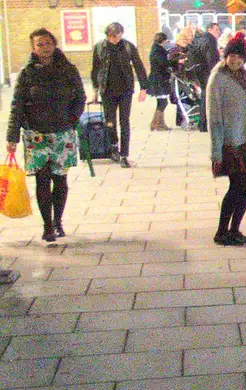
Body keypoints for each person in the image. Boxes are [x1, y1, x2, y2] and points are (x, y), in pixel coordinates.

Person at [6, 29, 85, 243]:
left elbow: (80, 96)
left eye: (48, 43)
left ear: (54, 44)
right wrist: (11, 136)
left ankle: (58, 221)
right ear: (33, 48)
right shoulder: (26, 73)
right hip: (36, 136)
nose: (44, 47)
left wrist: (71, 119)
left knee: (60, 180)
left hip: (62, 133)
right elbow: (17, 105)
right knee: (41, 180)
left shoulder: (68, 69)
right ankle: (47, 226)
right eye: (40, 44)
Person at [207, 35, 246, 246]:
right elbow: (214, 118)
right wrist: (216, 152)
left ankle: (235, 230)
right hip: (230, 143)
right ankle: (221, 232)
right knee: (235, 188)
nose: (236, 61)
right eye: (233, 56)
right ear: (226, 55)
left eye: (240, 57)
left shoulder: (243, 75)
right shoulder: (217, 79)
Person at [89, 21, 149, 167]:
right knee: (110, 123)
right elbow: (95, 69)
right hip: (107, 90)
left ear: (121, 34)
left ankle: (124, 155)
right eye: (111, 36)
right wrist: (95, 90)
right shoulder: (100, 47)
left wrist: (144, 88)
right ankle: (114, 145)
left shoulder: (128, 47)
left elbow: (138, 66)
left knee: (124, 122)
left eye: (116, 36)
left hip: (125, 90)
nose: (114, 39)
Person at [147, 30, 174, 132]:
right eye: (166, 41)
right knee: (162, 102)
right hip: (158, 80)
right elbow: (163, 63)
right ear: (163, 41)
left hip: (159, 79)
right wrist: (172, 62)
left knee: (162, 102)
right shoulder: (157, 51)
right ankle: (156, 124)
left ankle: (160, 123)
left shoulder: (157, 49)